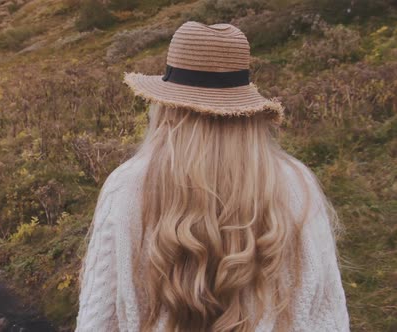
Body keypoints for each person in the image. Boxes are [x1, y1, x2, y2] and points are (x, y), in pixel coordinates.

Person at [74, 21, 350, 332]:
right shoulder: (296, 185)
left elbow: (98, 318)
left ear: (166, 107)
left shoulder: (126, 187)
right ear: (247, 108)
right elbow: (327, 315)